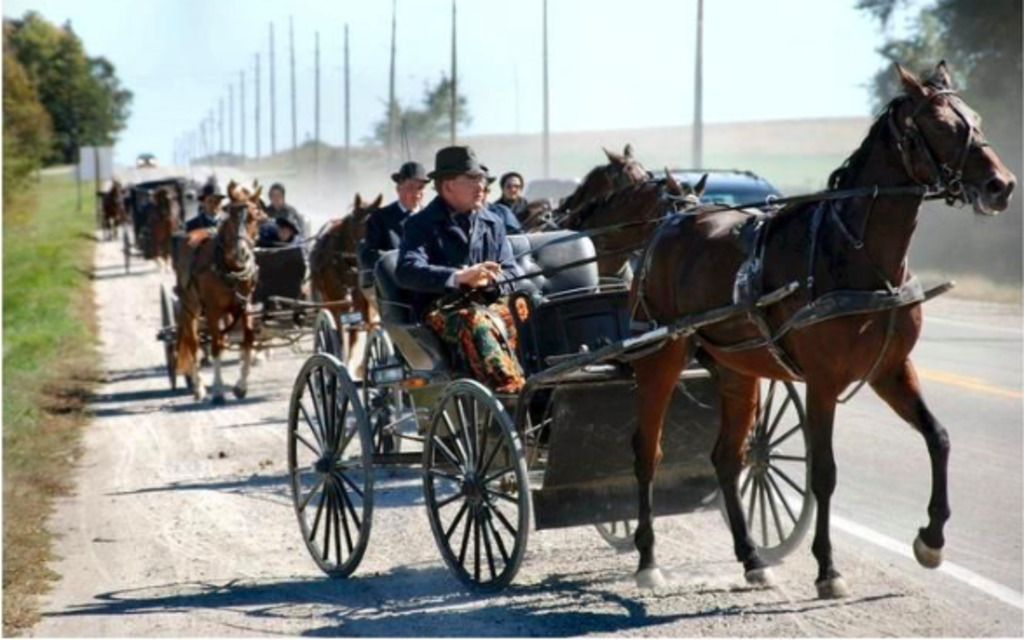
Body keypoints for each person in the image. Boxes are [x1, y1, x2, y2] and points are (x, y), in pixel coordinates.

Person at [397, 146, 526, 393]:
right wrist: (458, 277)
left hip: (489, 303)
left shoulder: (493, 222)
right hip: (444, 311)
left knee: (530, 307)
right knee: (476, 321)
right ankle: (509, 391)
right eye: (472, 180)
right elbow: (407, 270)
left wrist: (492, 280)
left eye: (482, 180)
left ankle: (546, 379)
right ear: (447, 186)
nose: (481, 187)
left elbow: (513, 272)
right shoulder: (420, 224)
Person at [357, 161, 429, 293]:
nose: (417, 193)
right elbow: (368, 254)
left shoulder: (432, 218)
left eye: (420, 188)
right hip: (392, 288)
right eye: (410, 187)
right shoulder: (380, 218)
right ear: (398, 189)